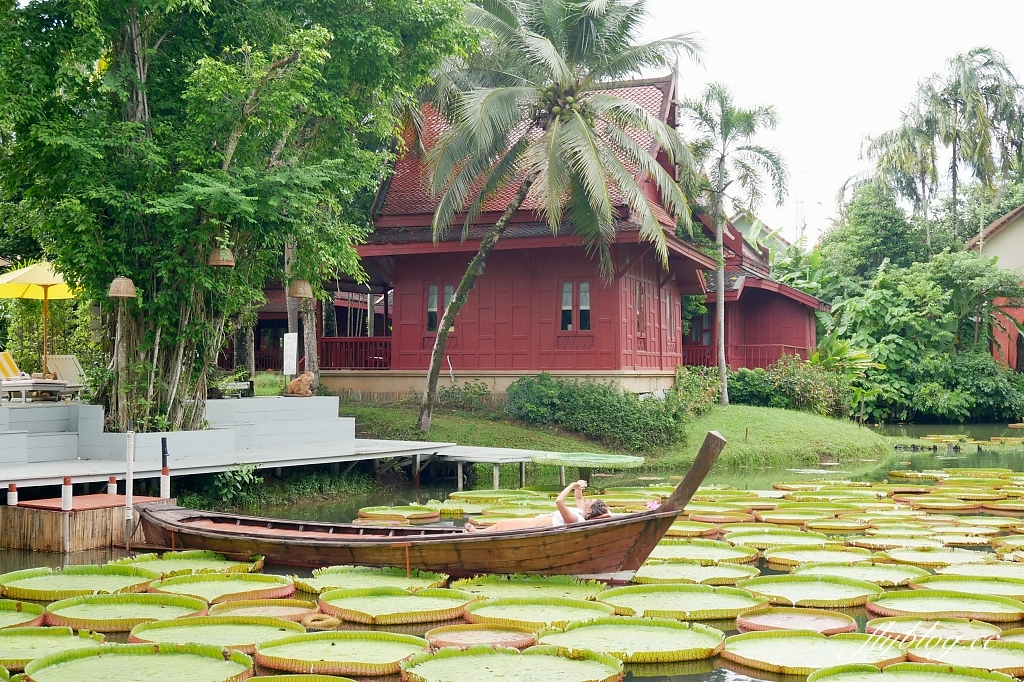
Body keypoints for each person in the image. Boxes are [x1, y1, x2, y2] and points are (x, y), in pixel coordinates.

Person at [463, 480, 611, 532]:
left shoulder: (575, 519)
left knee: (504, 524)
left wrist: (571, 485)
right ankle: (479, 532)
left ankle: (476, 533)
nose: (587, 500)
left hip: (542, 525)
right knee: (503, 524)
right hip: (541, 520)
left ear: (589, 510)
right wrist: (579, 485)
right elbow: (578, 496)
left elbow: (559, 502)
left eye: (590, 501)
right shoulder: (580, 511)